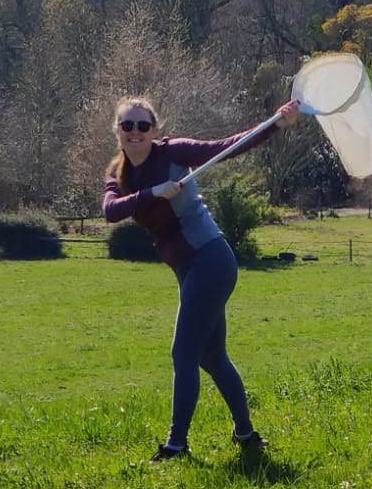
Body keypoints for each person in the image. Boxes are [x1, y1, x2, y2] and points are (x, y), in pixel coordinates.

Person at [102, 92, 302, 462]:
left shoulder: (174, 153)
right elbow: (111, 211)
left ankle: (176, 445)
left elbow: (228, 146)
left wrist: (276, 122)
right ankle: (247, 435)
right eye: (127, 125)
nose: (135, 132)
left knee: (184, 353)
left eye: (142, 125)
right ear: (117, 130)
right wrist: (153, 193)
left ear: (154, 130)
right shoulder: (119, 175)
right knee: (211, 356)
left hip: (210, 260)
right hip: (187, 268)